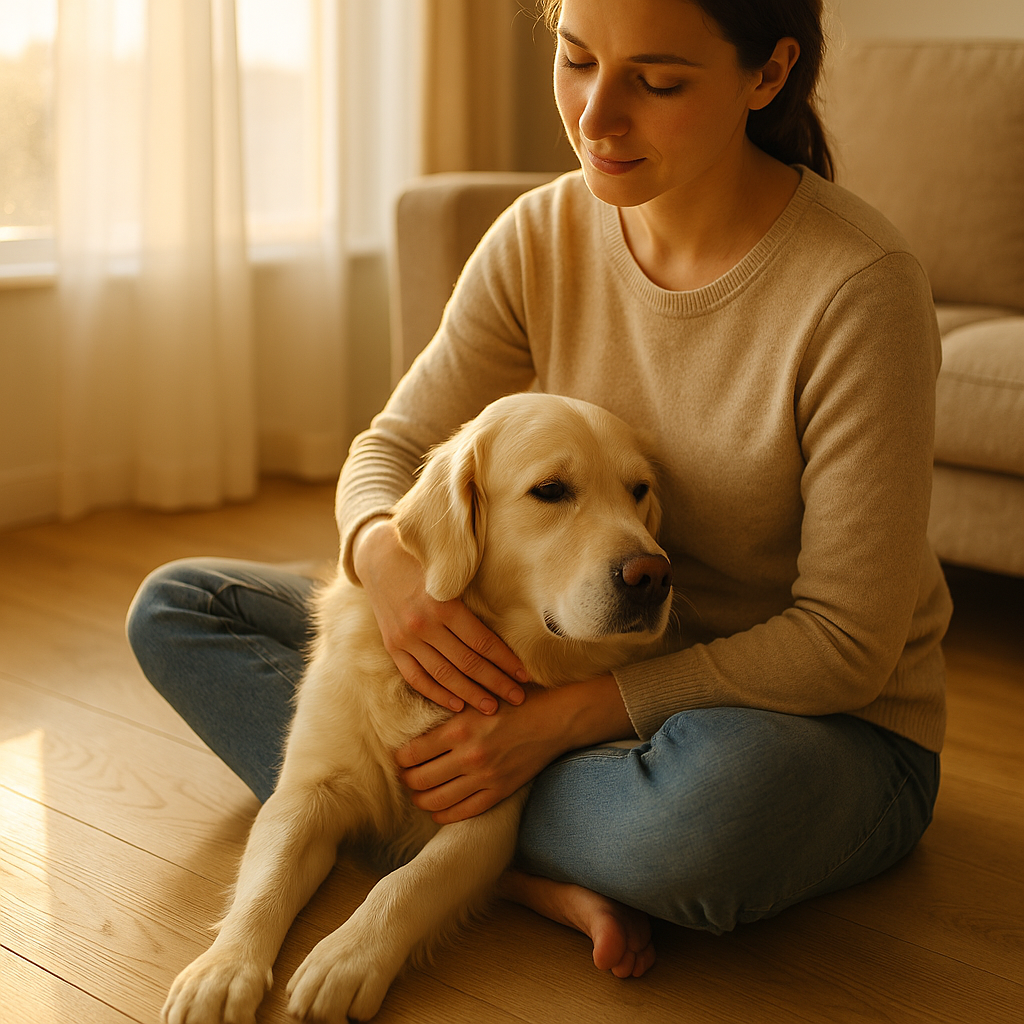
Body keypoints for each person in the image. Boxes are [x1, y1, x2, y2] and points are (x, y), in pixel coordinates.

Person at [127, 0, 950, 982]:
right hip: (550, 653)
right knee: (182, 606)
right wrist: (390, 569)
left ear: (766, 75)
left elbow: (848, 645)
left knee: (710, 817)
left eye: (656, 81)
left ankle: (474, 827)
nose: (596, 115)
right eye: (574, 59)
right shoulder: (541, 233)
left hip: (804, 726)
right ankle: (494, 851)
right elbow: (387, 453)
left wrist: (553, 723)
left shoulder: (858, 289)